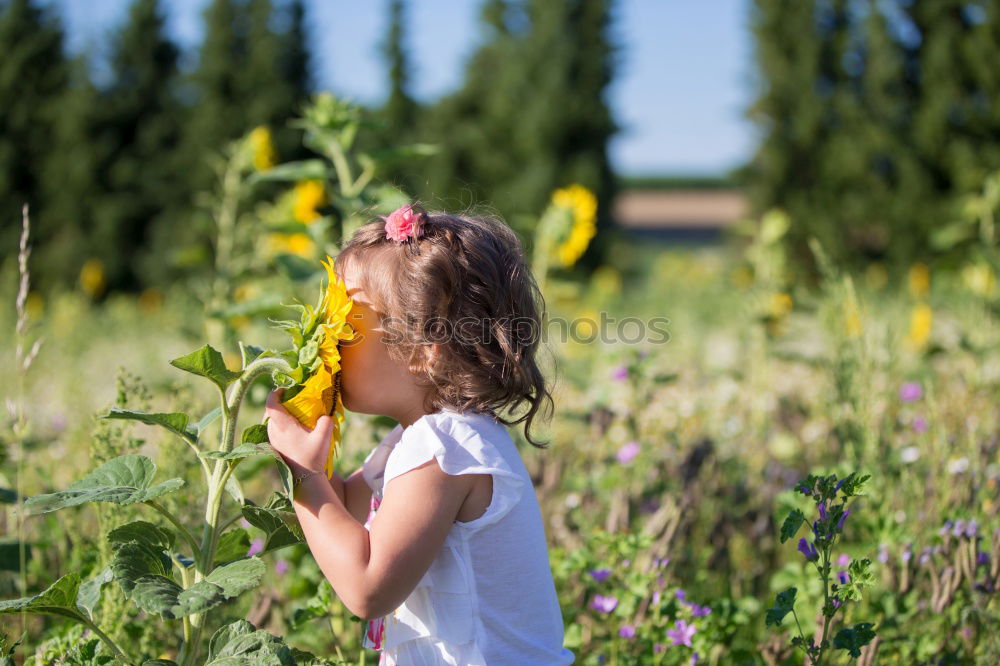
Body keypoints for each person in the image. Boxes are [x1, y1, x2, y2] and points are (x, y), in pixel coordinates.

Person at [264, 204, 574, 665]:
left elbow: (366, 587)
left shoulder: (444, 451)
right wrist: (307, 421)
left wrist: (304, 474)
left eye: (345, 326)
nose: (327, 341)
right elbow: (344, 514)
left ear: (422, 350)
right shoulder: (420, 442)